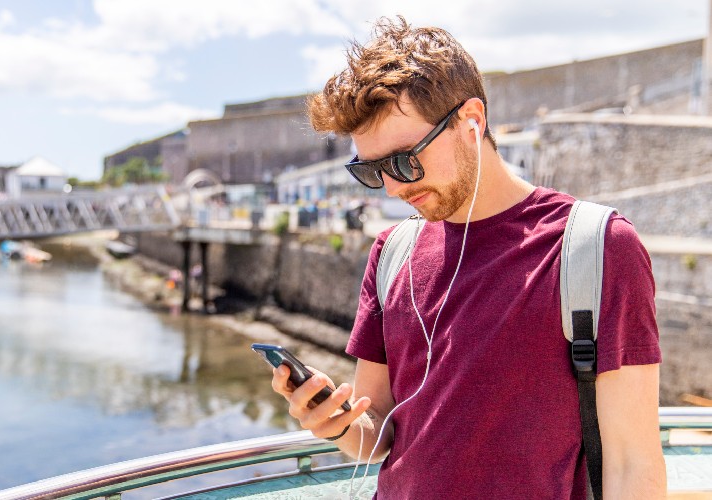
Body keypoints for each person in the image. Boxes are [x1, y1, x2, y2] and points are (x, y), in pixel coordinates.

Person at [270, 16, 665, 499]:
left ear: (471, 121)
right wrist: (333, 423)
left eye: (403, 159)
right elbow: (379, 434)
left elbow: (634, 463)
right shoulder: (392, 252)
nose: (394, 186)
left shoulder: (597, 246)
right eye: (372, 171)